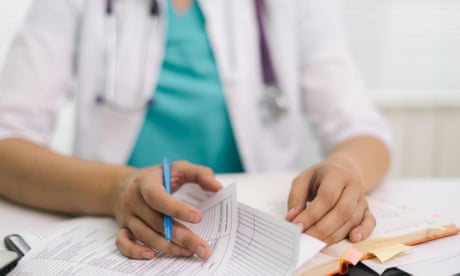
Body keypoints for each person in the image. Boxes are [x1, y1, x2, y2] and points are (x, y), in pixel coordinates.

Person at [0, 0, 391, 261]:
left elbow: (360, 127)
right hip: (120, 238)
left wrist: (347, 171)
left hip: (259, 240)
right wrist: (116, 189)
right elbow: (7, 140)